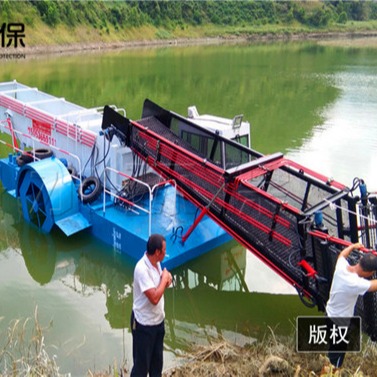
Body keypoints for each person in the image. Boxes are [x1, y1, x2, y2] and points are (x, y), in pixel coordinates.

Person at [325, 242, 377, 369]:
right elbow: (374, 286)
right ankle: (331, 371)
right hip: (339, 323)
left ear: (360, 260)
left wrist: (353, 246)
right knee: (336, 358)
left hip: (329, 314)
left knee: (333, 348)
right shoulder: (355, 283)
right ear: (369, 273)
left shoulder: (342, 266)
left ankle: (329, 365)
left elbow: (342, 254)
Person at [130, 234, 172, 377]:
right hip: (143, 325)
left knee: (156, 365)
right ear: (157, 252)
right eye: (164, 250)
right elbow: (154, 297)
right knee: (141, 368)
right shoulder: (141, 269)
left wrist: (167, 279)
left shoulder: (156, 264)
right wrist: (164, 279)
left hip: (158, 323)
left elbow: (161, 284)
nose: (166, 253)